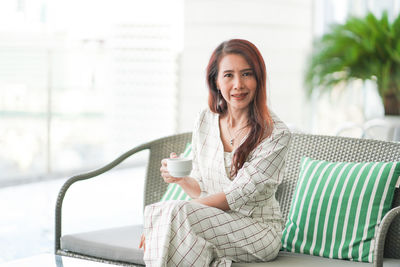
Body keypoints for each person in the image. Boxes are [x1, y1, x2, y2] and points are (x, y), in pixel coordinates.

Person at [139, 39, 292, 266]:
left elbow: (236, 196)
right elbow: (201, 188)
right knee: (181, 228)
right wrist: (181, 180)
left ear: (259, 79)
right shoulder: (205, 120)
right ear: (216, 81)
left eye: (247, 74)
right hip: (211, 222)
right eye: (229, 75)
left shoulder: (276, 134)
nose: (238, 84)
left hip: (258, 231)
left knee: (177, 217)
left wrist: (165, 221)